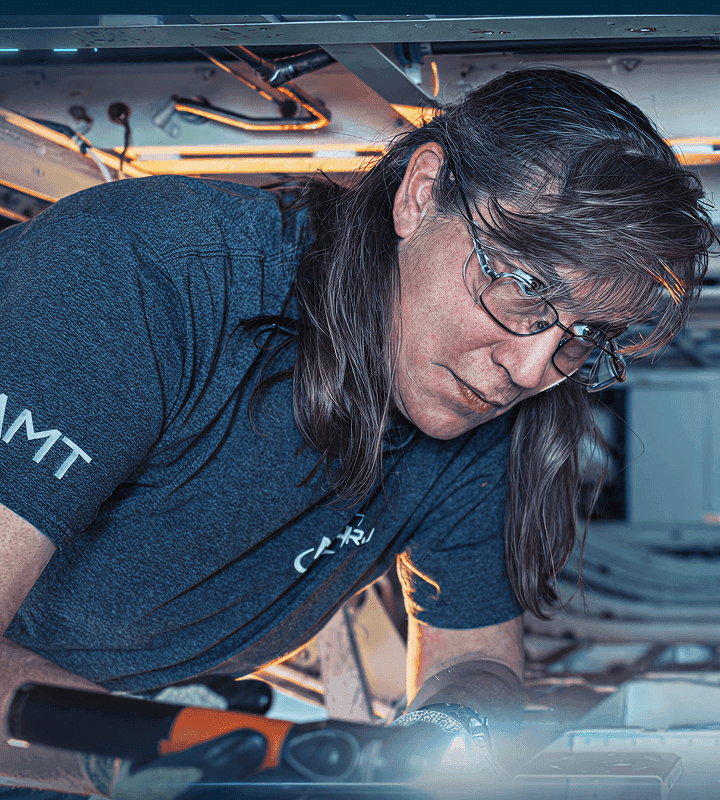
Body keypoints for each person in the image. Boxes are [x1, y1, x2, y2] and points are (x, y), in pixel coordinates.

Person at [0, 66, 713, 796]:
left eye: (583, 334)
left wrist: (446, 738)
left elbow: (478, 660)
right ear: (421, 192)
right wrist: (137, 755)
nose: (531, 368)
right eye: (526, 286)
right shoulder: (137, 278)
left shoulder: (482, 412)